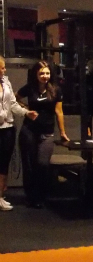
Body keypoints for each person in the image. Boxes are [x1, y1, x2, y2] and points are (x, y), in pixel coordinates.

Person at [15, 61, 69, 209]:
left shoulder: (56, 90)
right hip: (29, 130)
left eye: (47, 73)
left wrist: (63, 132)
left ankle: (41, 195)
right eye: (41, 73)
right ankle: (31, 197)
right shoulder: (30, 88)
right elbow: (15, 98)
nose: (45, 76)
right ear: (36, 74)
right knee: (29, 165)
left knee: (43, 164)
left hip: (47, 131)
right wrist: (26, 110)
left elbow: (59, 112)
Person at [0, 56, 38, 211]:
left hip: (7, 128)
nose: (4, 70)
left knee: (4, 164)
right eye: (2, 68)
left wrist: (25, 112)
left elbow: (13, 104)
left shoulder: (6, 82)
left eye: (4, 67)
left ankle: (0, 197)